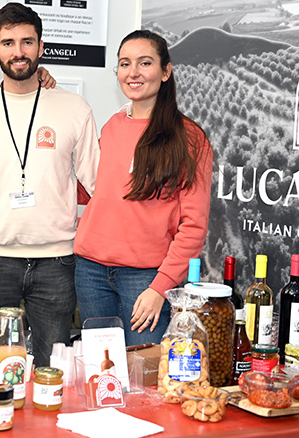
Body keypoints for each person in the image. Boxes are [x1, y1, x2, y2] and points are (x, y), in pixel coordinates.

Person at [0, 3, 100, 372]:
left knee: (52, 373)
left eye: (27, 42)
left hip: (57, 262)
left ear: (41, 47)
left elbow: (98, 183)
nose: (18, 52)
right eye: (8, 43)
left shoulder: (74, 108)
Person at [73, 29, 213, 346]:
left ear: (165, 71)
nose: (133, 72)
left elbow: (194, 226)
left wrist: (159, 288)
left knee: (143, 370)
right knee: (101, 369)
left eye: (145, 63)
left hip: (145, 278)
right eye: (125, 64)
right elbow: (93, 190)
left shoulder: (190, 138)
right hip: (91, 272)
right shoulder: (112, 126)